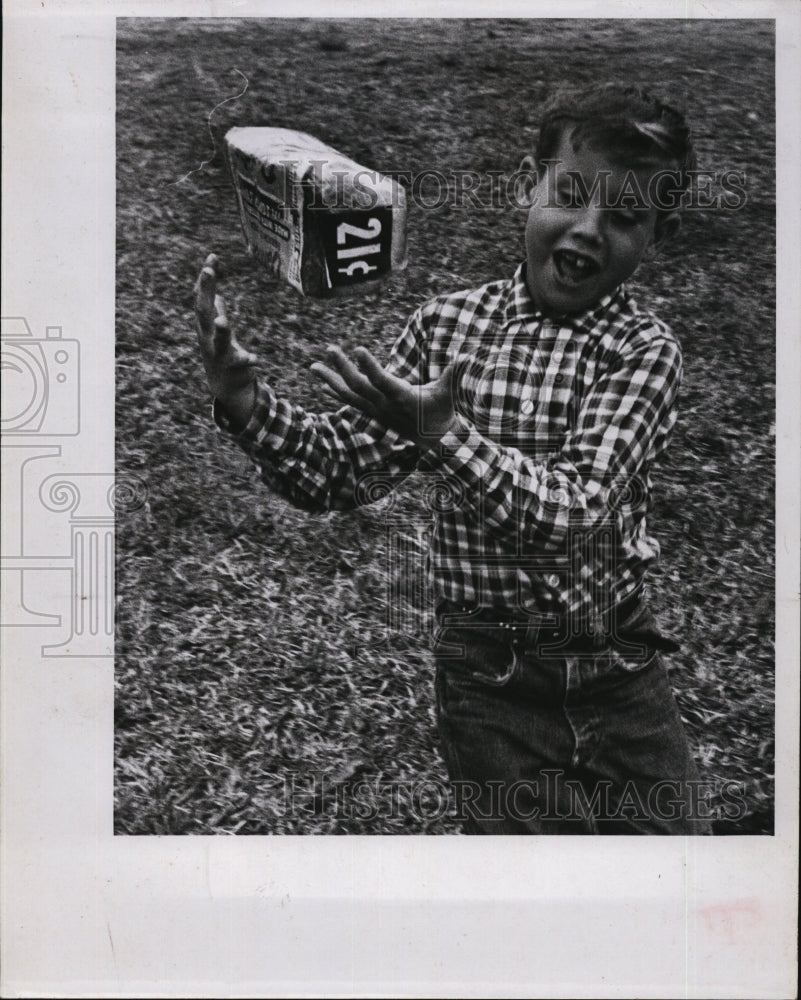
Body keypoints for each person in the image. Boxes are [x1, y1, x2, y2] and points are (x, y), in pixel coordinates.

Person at [194, 83, 711, 834]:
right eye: (568, 194)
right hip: (488, 683)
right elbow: (340, 469)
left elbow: (572, 512)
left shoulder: (642, 352)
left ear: (655, 234)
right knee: (528, 885)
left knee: (676, 860)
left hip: (616, 670)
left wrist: (444, 436)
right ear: (524, 187)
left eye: (625, 216)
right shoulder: (445, 327)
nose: (589, 228)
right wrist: (246, 404)